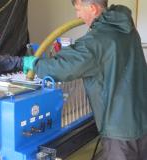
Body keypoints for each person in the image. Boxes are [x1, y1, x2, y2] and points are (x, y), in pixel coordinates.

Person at [23, 0, 147, 160]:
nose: (78, 15)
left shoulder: (98, 39)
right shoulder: (125, 28)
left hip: (120, 131)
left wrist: (36, 64)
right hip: (141, 120)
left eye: (78, 9)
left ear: (93, 8)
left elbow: (64, 67)